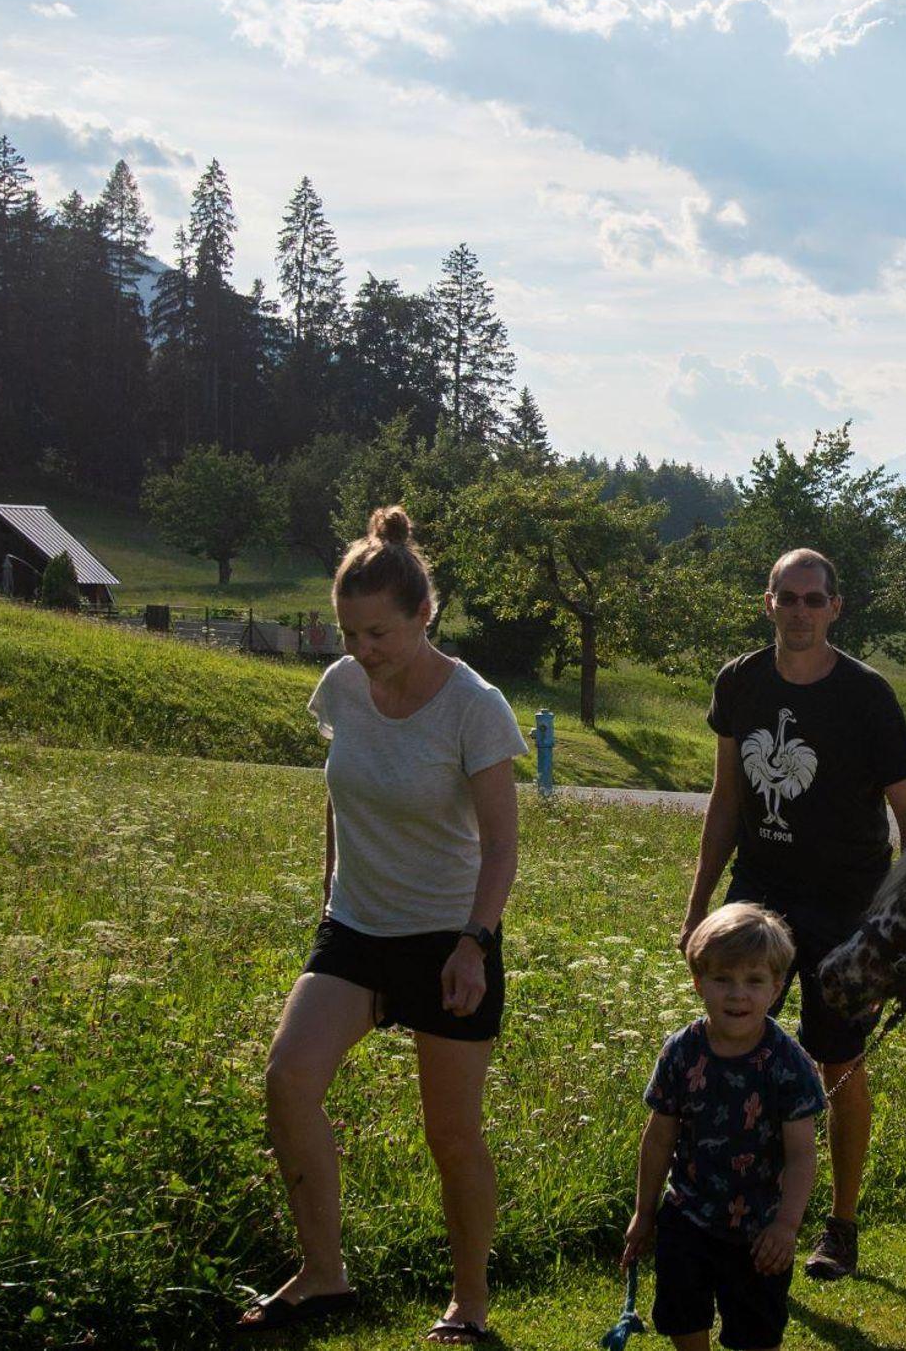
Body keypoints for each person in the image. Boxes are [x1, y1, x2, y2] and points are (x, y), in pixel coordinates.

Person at [239, 506, 528, 1346]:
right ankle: (323, 1274)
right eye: (349, 633)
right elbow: (342, 788)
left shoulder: (474, 706)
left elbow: (502, 845)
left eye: (378, 633)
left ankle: (468, 1303)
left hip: (448, 936)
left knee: (451, 1135)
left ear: (423, 615)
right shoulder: (341, 686)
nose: (362, 649)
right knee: (288, 1079)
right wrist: (330, 888)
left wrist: (475, 943)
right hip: (357, 928)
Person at [679, 547, 906, 1281]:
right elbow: (727, 799)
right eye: (787, 598)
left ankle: (841, 1226)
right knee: (730, 1039)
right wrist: (698, 906)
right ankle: (731, 1208)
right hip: (760, 891)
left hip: (848, 904)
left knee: (839, 1061)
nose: (799, 612)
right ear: (768, 603)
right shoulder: (739, 681)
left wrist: (896, 929)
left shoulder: (867, 695)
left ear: (834, 608)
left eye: (813, 599)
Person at [623, 903, 826, 1351]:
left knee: (756, 1334)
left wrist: (786, 1226)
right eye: (723, 979)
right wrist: (644, 1211)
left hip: (760, 1230)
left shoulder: (789, 1063)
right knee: (681, 1316)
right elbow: (659, 1138)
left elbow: (801, 1156)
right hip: (687, 1214)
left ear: (776, 988)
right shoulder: (681, 1051)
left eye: (754, 981)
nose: (738, 995)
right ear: (699, 983)